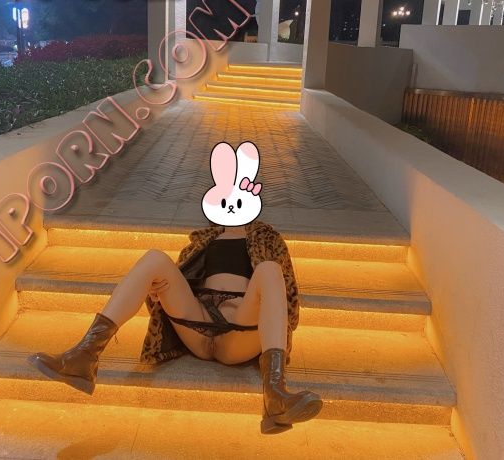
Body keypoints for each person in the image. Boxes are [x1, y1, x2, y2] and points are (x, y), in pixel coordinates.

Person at [28, 141, 323, 434]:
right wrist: (159, 292)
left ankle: (274, 393)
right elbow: (176, 283)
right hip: (198, 325)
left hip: (240, 333)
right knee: (155, 259)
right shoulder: (203, 239)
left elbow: (287, 297)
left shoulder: (267, 237)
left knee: (270, 269)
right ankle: (85, 355)